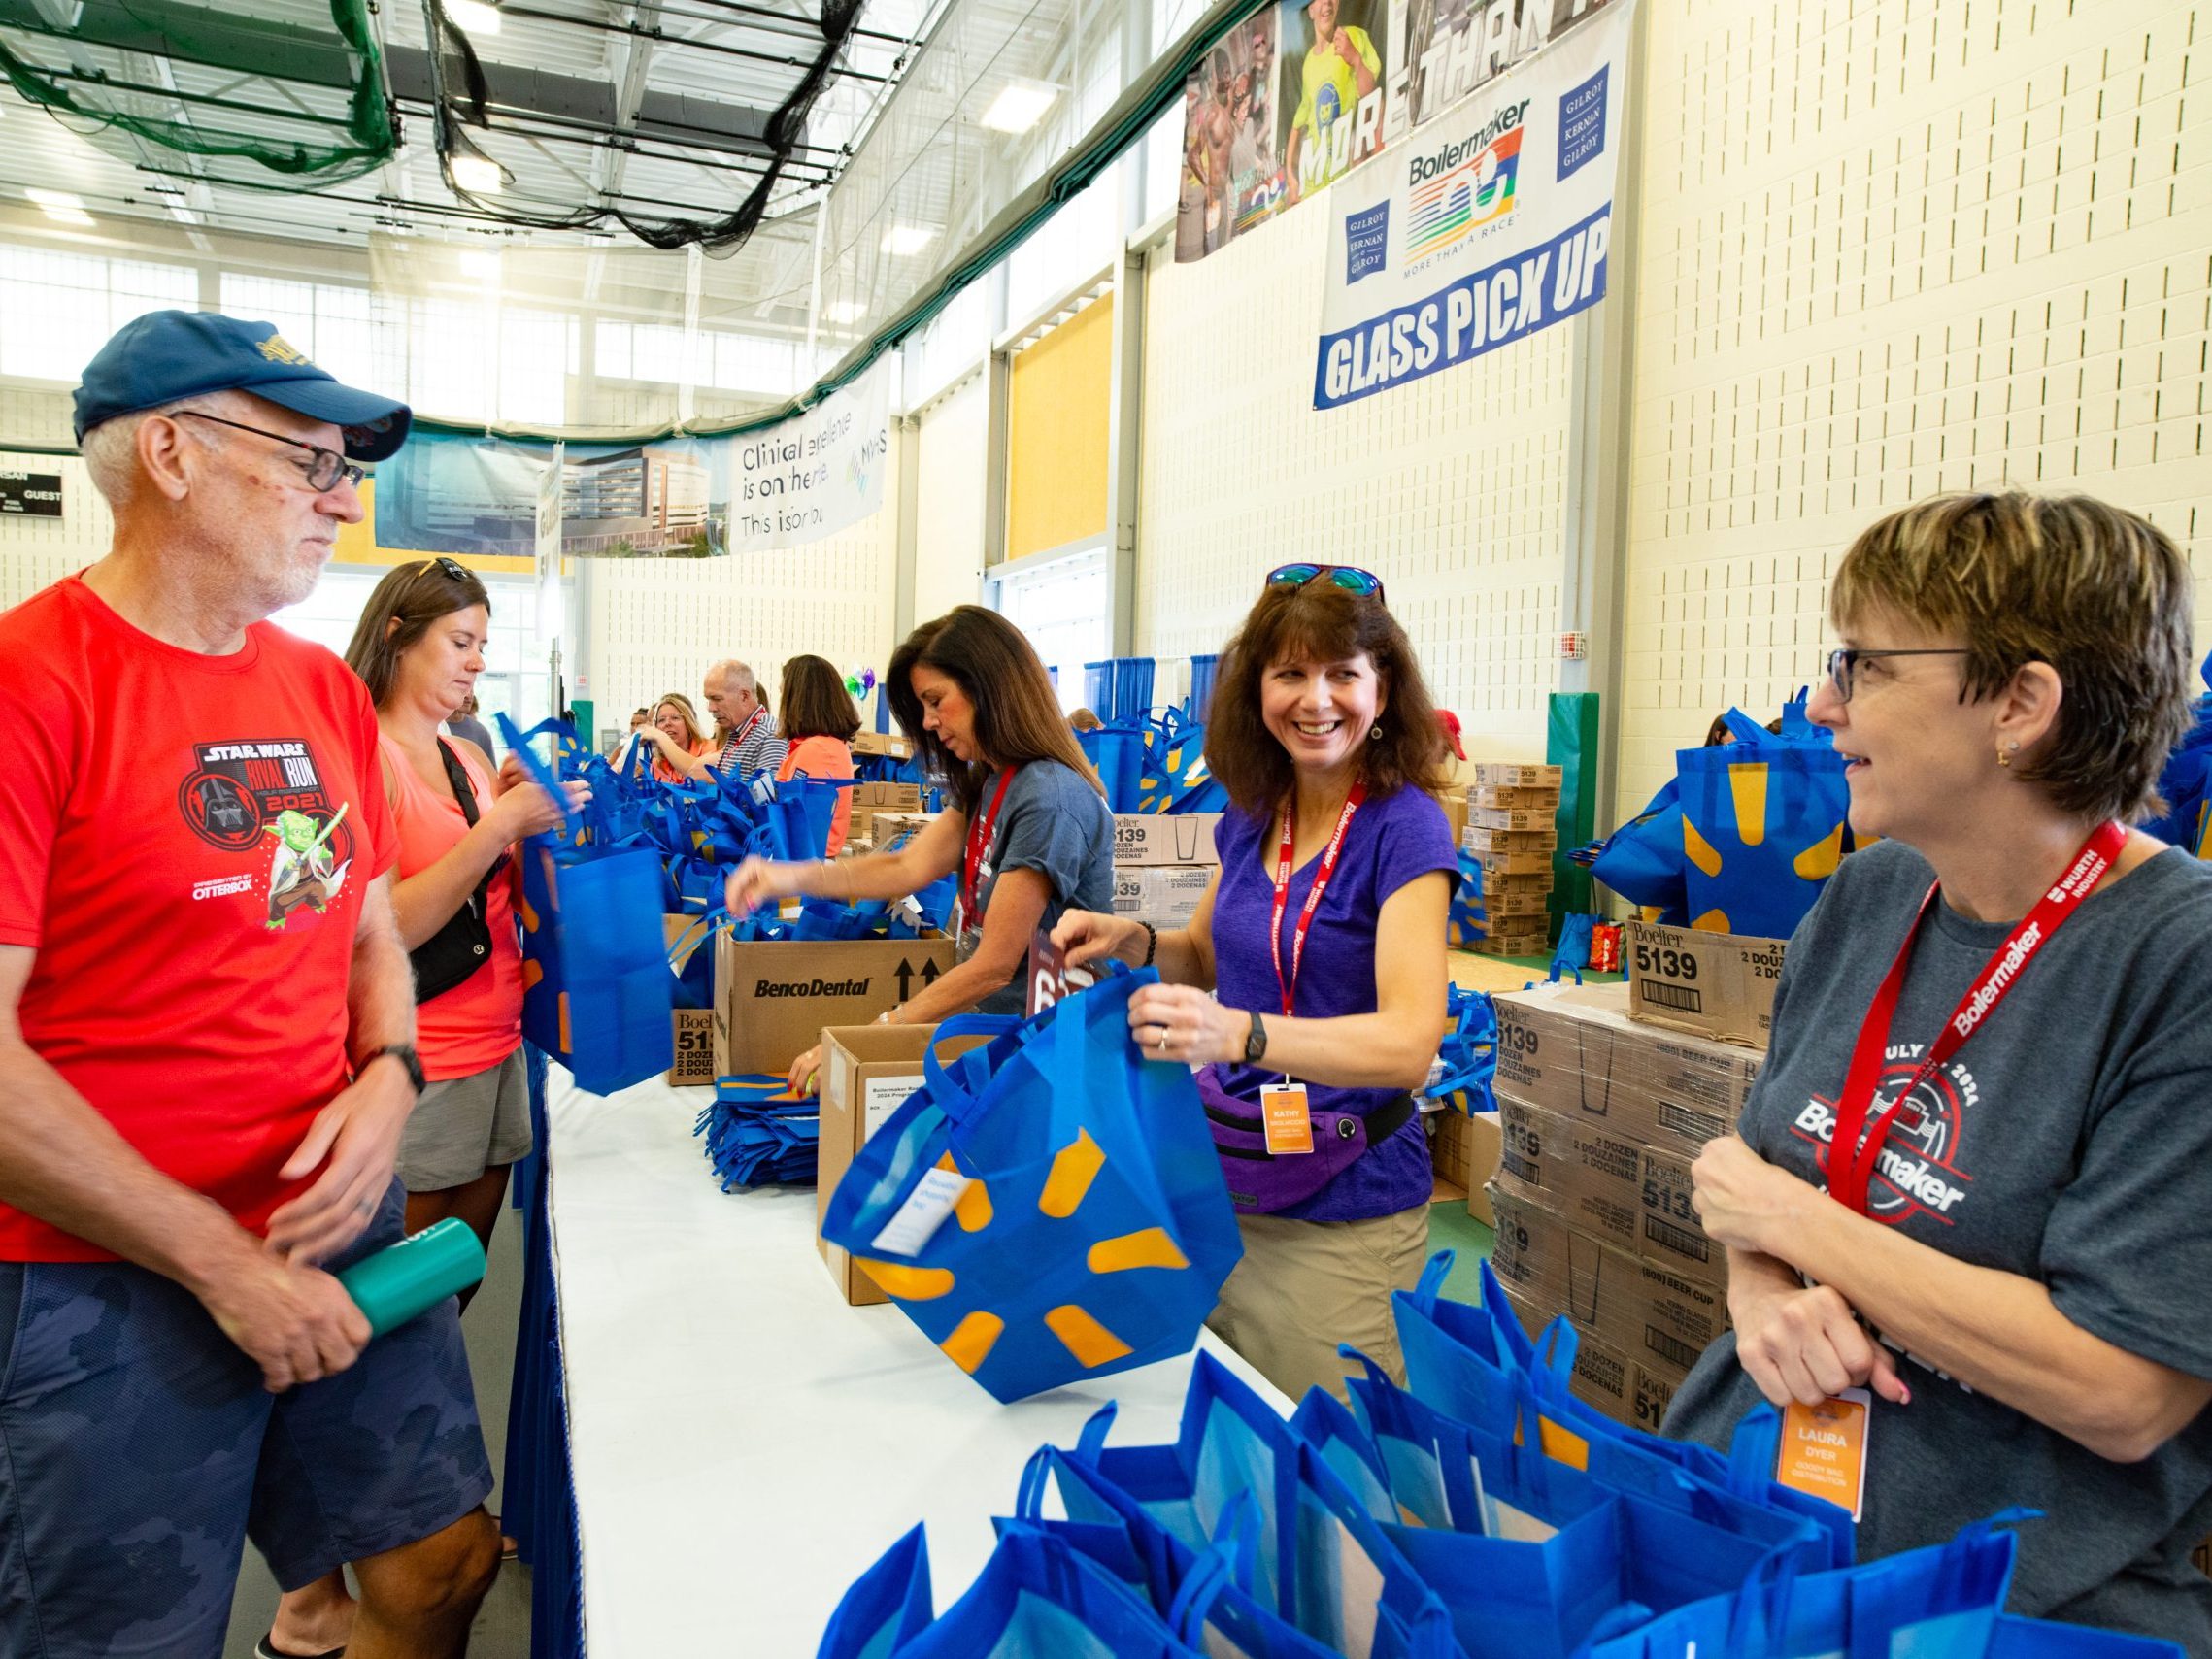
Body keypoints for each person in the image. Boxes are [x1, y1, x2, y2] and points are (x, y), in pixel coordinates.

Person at [0, 310, 499, 1659]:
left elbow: (361, 940)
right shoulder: (31, 684)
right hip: (103, 1279)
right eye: (308, 461)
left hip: (329, 1221)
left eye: (347, 467)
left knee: (441, 1563)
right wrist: (220, 1263)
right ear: (169, 452)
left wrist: (392, 1079)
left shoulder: (314, 693)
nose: (346, 500)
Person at [1663, 492, 2212, 1644]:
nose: (1821, 703)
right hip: (1761, 1537)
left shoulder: (2177, 965)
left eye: (1861, 663)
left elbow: (2122, 1389)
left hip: (1995, 1605)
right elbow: (1756, 1189)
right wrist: (1758, 1291)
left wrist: (1794, 1222)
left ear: (2020, 702)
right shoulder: (1871, 893)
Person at [1053, 564, 1456, 1403]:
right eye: (1291, 674)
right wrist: (1133, 939)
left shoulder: (1406, 826)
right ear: (1256, 691)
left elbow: (1411, 1044)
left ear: (1383, 691)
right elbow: (1204, 954)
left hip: (1343, 1208)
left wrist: (1239, 1033)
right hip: (1224, 1174)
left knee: (1334, 1458)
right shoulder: (1252, 812)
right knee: (1230, 1433)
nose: (1318, 700)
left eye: (1344, 673)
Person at [725, 606, 1116, 1091]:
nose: (929, 722)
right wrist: (787, 876)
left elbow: (994, 966)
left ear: (988, 687)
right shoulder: (994, 781)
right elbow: (906, 865)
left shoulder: (1050, 799)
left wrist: (874, 1036)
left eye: (936, 701)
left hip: (1051, 1061)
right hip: (1006, 1041)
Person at [1285, 0, 1380, 203]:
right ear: (1310, 10)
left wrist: (1355, 59)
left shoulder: (1353, 36)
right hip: (1313, 188)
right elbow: (1298, 123)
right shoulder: (1308, 61)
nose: (1327, 3)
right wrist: (1291, 180)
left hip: (1346, 180)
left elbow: (1371, 95)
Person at [774, 652, 862, 857]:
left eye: (783, 695)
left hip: (808, 867)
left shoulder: (816, 750)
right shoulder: (820, 746)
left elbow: (802, 825)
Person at [642, 690, 714, 782]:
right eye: (661, 720)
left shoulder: (711, 749)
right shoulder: (656, 763)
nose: (667, 723)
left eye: (675, 718)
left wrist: (662, 738)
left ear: (689, 723)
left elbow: (695, 771)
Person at [446, 688, 495, 759]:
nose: (469, 696)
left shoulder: (481, 732)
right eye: (462, 688)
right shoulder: (433, 728)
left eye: (471, 688)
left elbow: (490, 770)